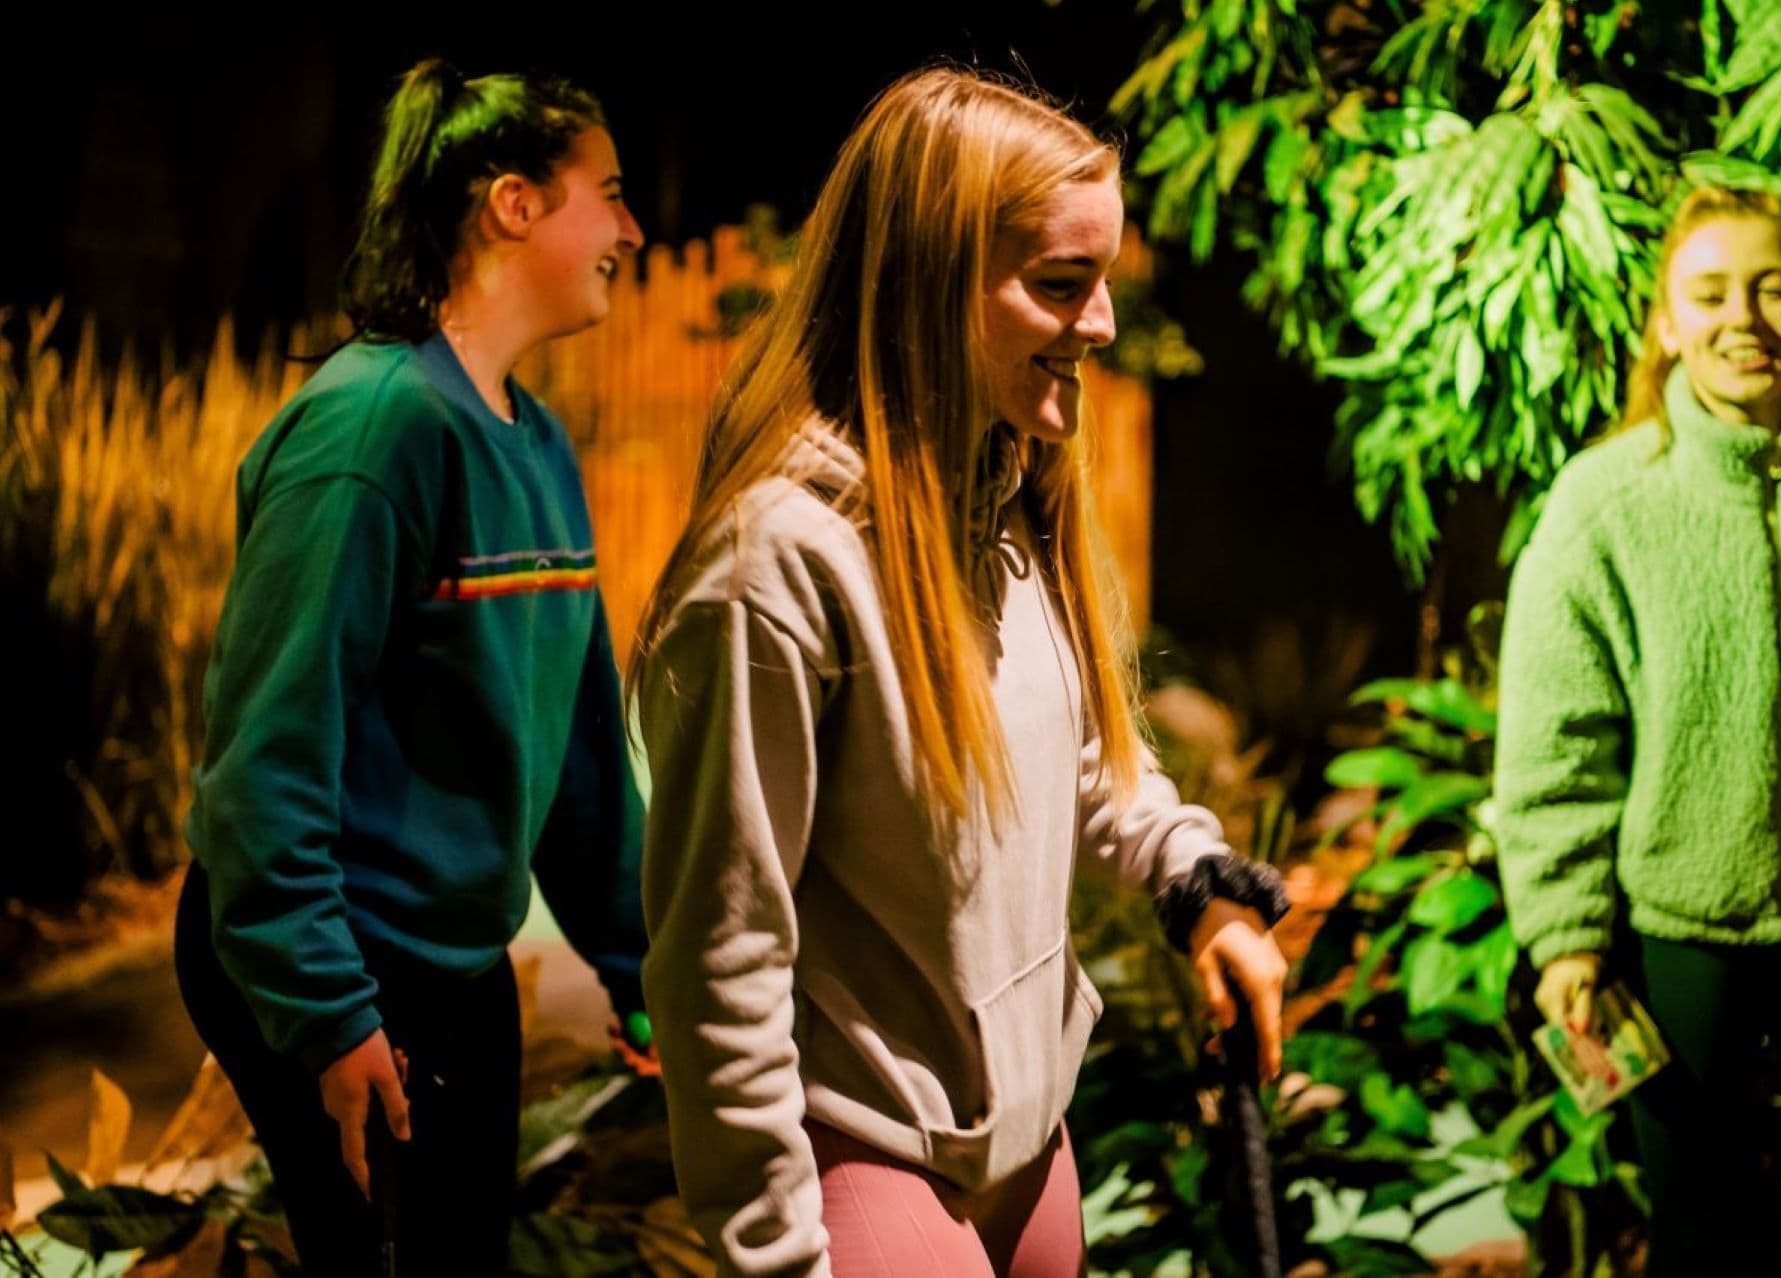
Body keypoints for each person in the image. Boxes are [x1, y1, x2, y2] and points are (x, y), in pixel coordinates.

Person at [632, 67, 1292, 1277]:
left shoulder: (1003, 497)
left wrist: (1195, 883)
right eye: (1061, 284)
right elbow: (720, 960)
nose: (1101, 323)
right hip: (871, 1156)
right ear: (933, 282)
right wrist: (777, 1254)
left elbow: (1083, 755)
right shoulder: (778, 564)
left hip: (1030, 1145)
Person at [175, 58, 650, 1275]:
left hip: (452, 959)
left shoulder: (536, 444)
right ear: (514, 204)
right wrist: (328, 1010)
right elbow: (268, 753)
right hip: (343, 945)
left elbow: (580, 759)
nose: (633, 231)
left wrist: (640, 965)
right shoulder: (375, 425)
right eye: (608, 193)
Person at [1496, 185, 1781, 1275]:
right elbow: (1556, 738)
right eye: (1711, 293)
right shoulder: (1607, 503)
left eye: (1773, 288)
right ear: (1667, 323)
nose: (1745, 318)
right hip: (1682, 935)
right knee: (1704, 1232)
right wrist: (1567, 935)